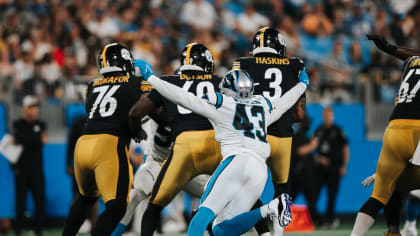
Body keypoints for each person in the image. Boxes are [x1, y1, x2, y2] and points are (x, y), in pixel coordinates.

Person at [135, 58, 309, 235]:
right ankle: (271, 208)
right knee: (221, 230)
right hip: (259, 170)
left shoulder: (223, 104)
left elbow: (181, 96)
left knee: (200, 218)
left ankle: (271, 209)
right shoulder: (262, 106)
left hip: (237, 161)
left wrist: (151, 77)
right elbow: (284, 102)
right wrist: (302, 84)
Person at [62, 43, 143, 236]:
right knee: (116, 207)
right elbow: (151, 100)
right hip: (108, 145)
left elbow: (93, 111)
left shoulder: (91, 85)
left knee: (85, 199)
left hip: (84, 144)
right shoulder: (135, 82)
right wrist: (136, 127)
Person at [232, 26, 307, 233]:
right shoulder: (295, 65)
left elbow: (234, 101)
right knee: (282, 189)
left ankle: (263, 231)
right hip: (283, 135)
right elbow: (299, 115)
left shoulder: (243, 63)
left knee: (247, 188)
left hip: (256, 136)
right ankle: (277, 234)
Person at [351, 35, 420, 236]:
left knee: (382, 193)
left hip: (395, 127)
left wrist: (391, 49)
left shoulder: (411, 62)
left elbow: (410, 55)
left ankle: (388, 231)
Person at [12, 95, 48, 236]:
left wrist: (26, 139)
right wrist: (35, 139)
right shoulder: (17, 124)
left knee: (39, 201)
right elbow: (37, 140)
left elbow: (42, 141)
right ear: (24, 109)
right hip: (20, 170)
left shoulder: (41, 124)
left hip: (36, 170)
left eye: (35, 107)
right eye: (31, 108)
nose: (34, 111)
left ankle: (38, 230)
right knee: (20, 202)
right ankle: (19, 230)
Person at [313, 107, 349, 228]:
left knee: (332, 195)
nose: (327, 118)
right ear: (323, 116)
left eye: (329, 115)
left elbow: (345, 148)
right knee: (314, 194)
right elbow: (312, 147)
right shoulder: (318, 130)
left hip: (334, 168)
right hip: (319, 169)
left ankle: (330, 219)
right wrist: (318, 158)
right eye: (325, 115)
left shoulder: (338, 130)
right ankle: (317, 219)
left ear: (332, 116)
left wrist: (344, 165)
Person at [66, 115, 98, 233]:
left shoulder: (102, 120)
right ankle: (73, 225)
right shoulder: (79, 122)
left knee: (94, 195)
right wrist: (69, 164)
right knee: (77, 195)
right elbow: (71, 143)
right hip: (79, 163)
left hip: (95, 163)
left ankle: (94, 226)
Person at [289, 115, 320, 225]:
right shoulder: (299, 136)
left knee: (311, 200)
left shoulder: (305, 136)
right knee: (290, 199)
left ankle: (316, 220)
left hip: (306, 174)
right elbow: (300, 151)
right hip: (300, 175)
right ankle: (280, 218)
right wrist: (313, 145)